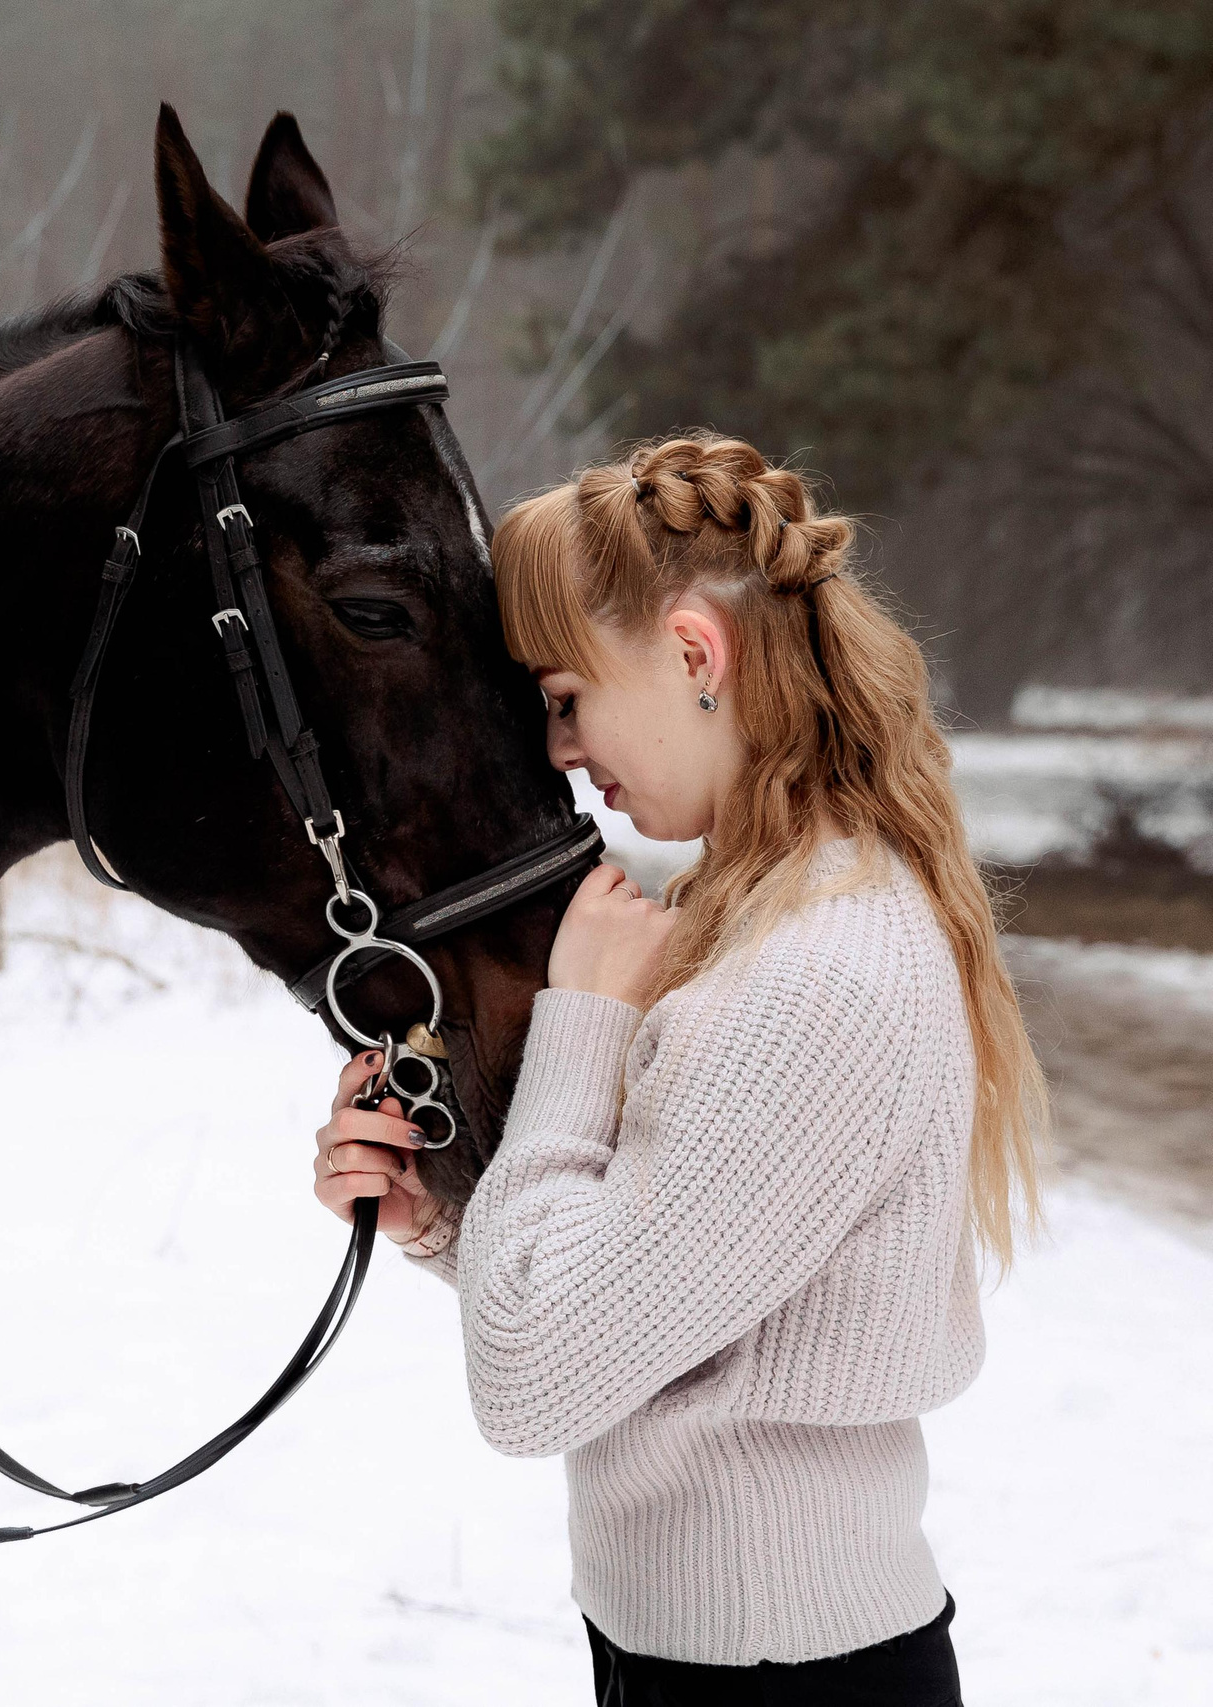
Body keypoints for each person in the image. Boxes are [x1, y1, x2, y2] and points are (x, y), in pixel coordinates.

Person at [310, 434, 1049, 1705]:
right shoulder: (772, 911)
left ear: (696, 655)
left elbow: (534, 1381)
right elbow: (651, 1308)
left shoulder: (821, 973)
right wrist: (447, 1225)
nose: (558, 752)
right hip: (735, 1653)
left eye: (562, 698)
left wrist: (580, 1020)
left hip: (780, 1673)